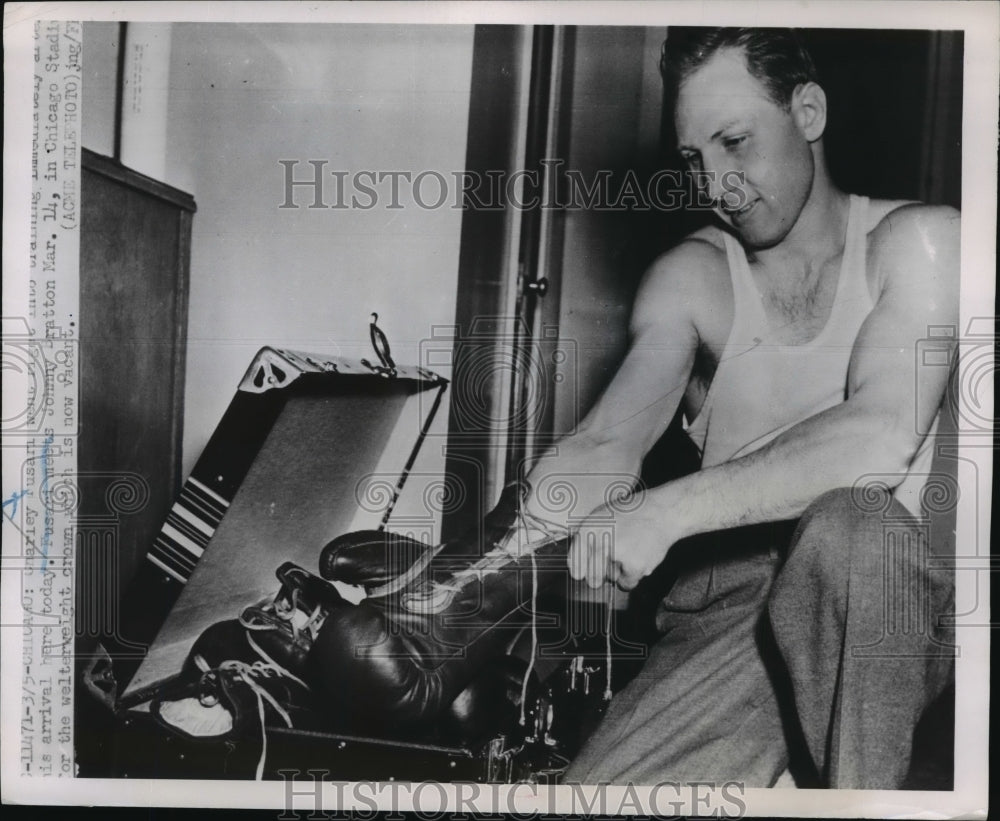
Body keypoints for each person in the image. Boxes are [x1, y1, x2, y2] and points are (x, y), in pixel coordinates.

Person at [519, 28, 960, 789]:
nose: (716, 184)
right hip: (732, 615)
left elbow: (880, 434)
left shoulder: (921, 241)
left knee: (851, 527)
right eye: (694, 158)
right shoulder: (692, 277)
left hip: (883, 611)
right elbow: (604, 441)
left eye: (734, 142)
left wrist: (664, 511)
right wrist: (455, 580)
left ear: (810, 111)